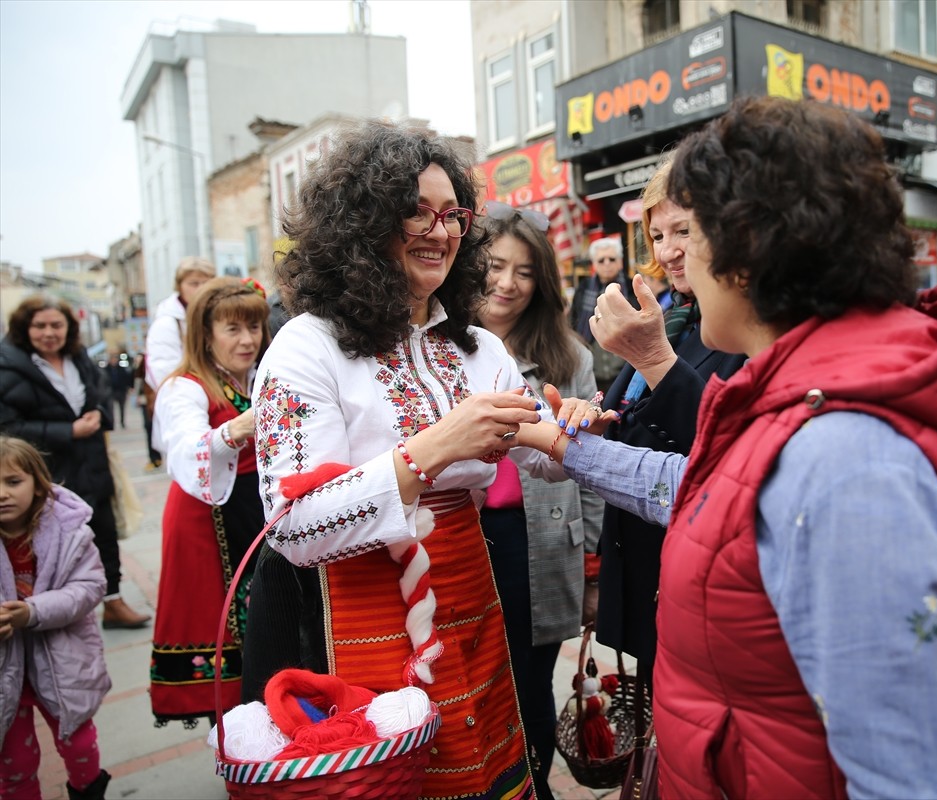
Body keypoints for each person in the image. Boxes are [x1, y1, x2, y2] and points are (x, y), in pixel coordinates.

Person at [526, 96, 937, 798]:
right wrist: (564, 446)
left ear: (749, 251)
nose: (677, 262)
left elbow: (911, 772)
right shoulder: (795, 388)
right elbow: (706, 487)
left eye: (690, 236)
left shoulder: (854, 465)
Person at [247, 120, 562, 799]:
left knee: (488, 761)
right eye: (415, 213)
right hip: (357, 611)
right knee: (399, 774)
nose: (440, 231)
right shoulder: (305, 348)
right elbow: (293, 527)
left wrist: (573, 430)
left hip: (472, 596)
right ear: (359, 227)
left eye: (452, 215)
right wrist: (432, 449)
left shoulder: (475, 346)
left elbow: (544, 456)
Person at [585, 155, 745, 696]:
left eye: (684, 230)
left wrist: (655, 359)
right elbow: (633, 414)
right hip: (640, 553)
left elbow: (729, 446)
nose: (668, 250)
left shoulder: (739, 322)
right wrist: (596, 421)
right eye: (656, 234)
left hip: (698, 570)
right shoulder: (667, 311)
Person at [474, 202, 605, 798]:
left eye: (524, 272)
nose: (506, 283)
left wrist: (594, 564)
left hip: (541, 543)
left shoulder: (568, 356)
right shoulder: (441, 347)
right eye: (495, 266)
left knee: (530, 682)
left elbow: (594, 469)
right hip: (463, 539)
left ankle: (534, 785)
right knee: (472, 681)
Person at [148, 277, 269, 728]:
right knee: (221, 622)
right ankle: (238, 738)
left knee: (261, 616)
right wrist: (236, 429)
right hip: (206, 520)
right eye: (233, 329)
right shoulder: (185, 386)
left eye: (254, 328)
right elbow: (183, 447)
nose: (248, 340)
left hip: (250, 511)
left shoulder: (256, 377)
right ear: (205, 333)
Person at [0, 296, 150, 630]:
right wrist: (67, 431)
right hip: (45, 470)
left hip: (92, 462)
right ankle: (49, 609)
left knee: (104, 533)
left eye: (57, 325)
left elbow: (101, 393)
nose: (49, 333)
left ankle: (113, 601)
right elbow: (8, 426)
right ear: (25, 328)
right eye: (40, 325)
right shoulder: (9, 365)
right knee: (50, 543)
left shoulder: (78, 357)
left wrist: (100, 414)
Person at [0, 435, 113, 800]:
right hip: (5, 676)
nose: (1, 493)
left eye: (12, 481)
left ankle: (88, 792)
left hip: (64, 662)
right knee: (13, 763)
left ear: (36, 483)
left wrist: (33, 612)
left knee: (80, 747)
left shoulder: (69, 532)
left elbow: (90, 586)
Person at [144, 256, 216, 392]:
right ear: (180, 286)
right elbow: (164, 375)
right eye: (194, 284)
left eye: (206, 283)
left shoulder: (215, 316)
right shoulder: (166, 324)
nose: (201, 289)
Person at [569, 237, 632, 389]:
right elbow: (573, 323)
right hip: (593, 373)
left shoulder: (631, 288)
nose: (607, 264)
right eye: (601, 260)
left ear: (620, 262)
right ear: (594, 265)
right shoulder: (584, 288)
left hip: (627, 370)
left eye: (612, 259)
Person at [131, 353, 161, 470]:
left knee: (155, 429)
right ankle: (154, 458)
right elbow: (136, 387)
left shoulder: (154, 371)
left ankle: (157, 457)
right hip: (146, 405)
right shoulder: (139, 375)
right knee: (149, 429)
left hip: (154, 404)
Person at [104, 354, 133, 429]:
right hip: (111, 391)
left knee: (122, 407)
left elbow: (126, 378)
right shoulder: (106, 370)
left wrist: (128, 387)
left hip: (121, 391)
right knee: (111, 408)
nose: (114, 361)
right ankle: (112, 422)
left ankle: (122, 422)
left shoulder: (121, 369)